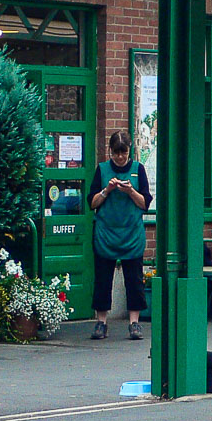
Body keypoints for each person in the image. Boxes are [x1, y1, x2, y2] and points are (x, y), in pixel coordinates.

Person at [88, 130, 152, 341]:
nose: (120, 157)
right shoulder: (102, 170)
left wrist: (130, 191)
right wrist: (107, 190)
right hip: (106, 233)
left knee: (134, 279)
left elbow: (145, 203)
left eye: (123, 153)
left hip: (131, 233)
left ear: (129, 151)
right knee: (102, 279)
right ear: (110, 152)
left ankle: (134, 323)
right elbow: (92, 203)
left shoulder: (138, 169)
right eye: (116, 153)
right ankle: (101, 322)